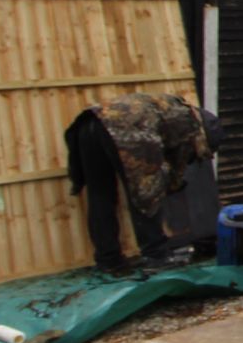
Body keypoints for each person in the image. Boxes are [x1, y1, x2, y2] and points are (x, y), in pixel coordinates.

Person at [65, 92, 213, 272]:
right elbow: (174, 166)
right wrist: (173, 185)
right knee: (146, 190)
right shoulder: (189, 124)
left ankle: (109, 260)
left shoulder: (172, 106)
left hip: (88, 123)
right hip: (124, 128)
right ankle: (156, 255)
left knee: (100, 195)